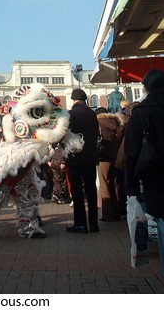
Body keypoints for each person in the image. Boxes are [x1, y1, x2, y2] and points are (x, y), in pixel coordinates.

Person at [124, 69, 164, 275]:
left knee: (162, 220)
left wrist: (129, 185)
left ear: (145, 88)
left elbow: (130, 153)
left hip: (155, 176)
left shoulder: (140, 113)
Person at [65, 88, 99, 234]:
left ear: (73, 100)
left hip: (75, 158)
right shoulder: (92, 114)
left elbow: (63, 134)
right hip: (91, 157)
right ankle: (94, 224)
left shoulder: (71, 114)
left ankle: (80, 224)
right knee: (91, 190)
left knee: (77, 191)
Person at [95, 106, 123, 221]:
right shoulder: (115, 121)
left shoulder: (98, 122)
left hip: (103, 156)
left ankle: (107, 214)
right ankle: (117, 211)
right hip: (115, 155)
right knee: (115, 183)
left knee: (104, 183)